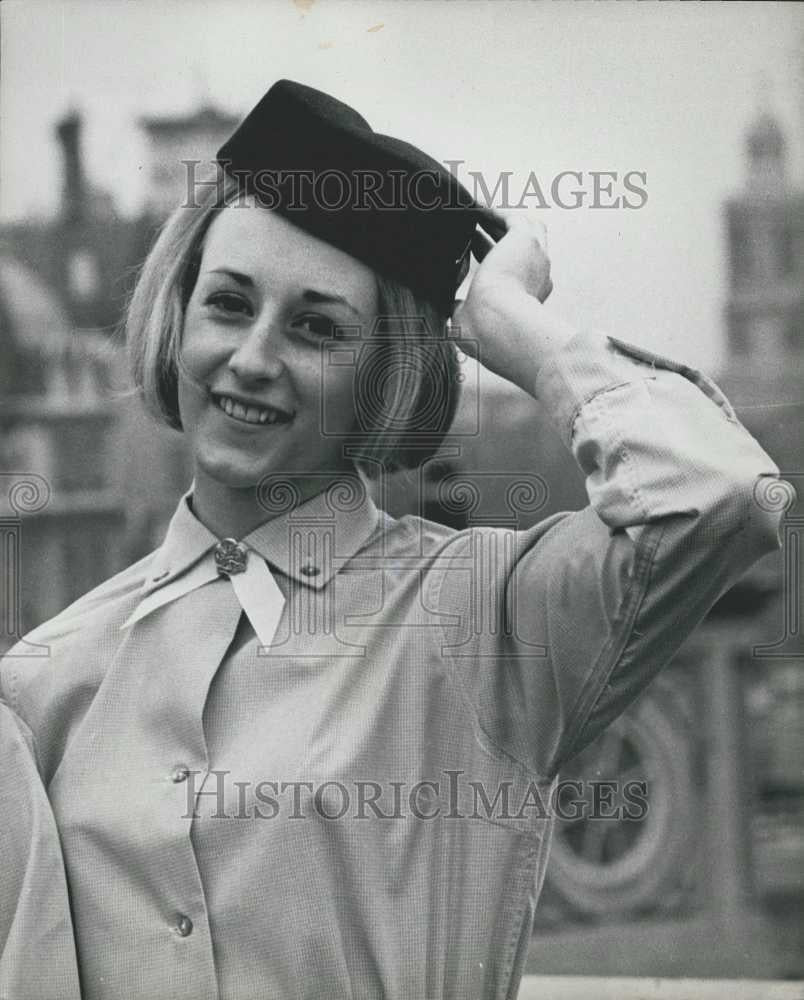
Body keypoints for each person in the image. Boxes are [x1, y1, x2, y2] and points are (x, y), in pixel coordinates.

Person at [0, 79, 787, 1000]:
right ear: (176, 318)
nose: (253, 357)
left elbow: (720, 490)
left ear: (383, 376)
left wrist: (511, 325)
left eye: (315, 327)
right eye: (227, 304)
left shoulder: (486, 620)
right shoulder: (44, 680)